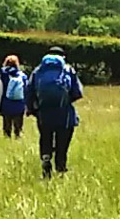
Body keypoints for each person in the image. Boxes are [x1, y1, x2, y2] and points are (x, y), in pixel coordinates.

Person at [26, 46, 83, 178]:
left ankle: (46, 160)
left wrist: (32, 108)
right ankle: (61, 168)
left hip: (44, 114)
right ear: (63, 57)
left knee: (45, 138)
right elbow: (77, 93)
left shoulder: (38, 71)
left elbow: (29, 91)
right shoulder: (68, 70)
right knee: (62, 143)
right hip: (65, 115)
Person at [0, 55, 28, 138]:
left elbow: (0, 91)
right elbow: (26, 91)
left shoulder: (3, 75)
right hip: (19, 104)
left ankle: (7, 140)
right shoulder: (23, 76)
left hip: (6, 104)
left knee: (7, 127)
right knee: (18, 128)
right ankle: (18, 138)